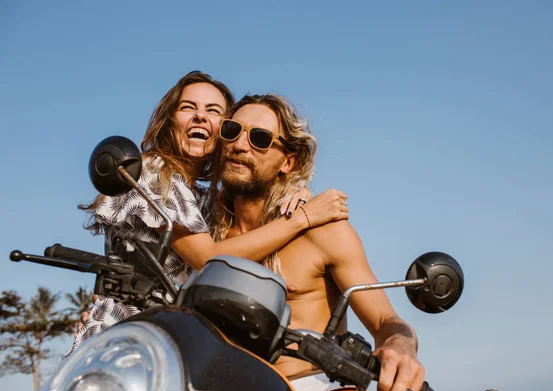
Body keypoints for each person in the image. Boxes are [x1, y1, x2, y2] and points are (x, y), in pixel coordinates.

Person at [66, 71, 349, 357]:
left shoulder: (205, 200)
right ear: (169, 120)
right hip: (124, 340)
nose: (200, 116)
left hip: (171, 344)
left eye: (213, 111)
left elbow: (251, 211)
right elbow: (207, 258)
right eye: (188, 107)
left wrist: (295, 191)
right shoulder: (154, 172)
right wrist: (303, 219)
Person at [207, 93, 424, 391]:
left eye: (260, 138)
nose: (240, 145)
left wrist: (400, 347)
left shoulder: (323, 231)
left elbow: (386, 322)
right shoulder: (205, 240)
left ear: (288, 162)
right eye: (231, 131)